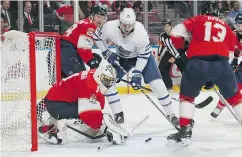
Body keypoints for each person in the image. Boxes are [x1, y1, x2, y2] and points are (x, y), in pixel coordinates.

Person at [166, 1, 242, 146]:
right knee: (235, 98)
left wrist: (183, 49)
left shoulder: (198, 19)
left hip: (197, 63)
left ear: (203, 11)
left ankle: (185, 131)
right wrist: (215, 74)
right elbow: (232, 53)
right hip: (222, 64)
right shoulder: (225, 25)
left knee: (186, 97)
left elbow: (175, 33)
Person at [93, 8, 180, 128]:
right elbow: (97, 37)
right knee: (106, 81)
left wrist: (137, 73)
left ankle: (171, 115)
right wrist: (106, 52)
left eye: (130, 25)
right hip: (122, 58)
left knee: (158, 85)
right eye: (125, 25)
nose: (127, 28)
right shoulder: (109, 27)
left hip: (143, 58)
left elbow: (143, 56)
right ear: (119, 22)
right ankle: (118, 113)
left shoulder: (140, 33)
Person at [39, 64, 130, 145]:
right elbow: (88, 114)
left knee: (90, 113)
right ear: (100, 76)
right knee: (84, 114)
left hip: (58, 100)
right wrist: (107, 129)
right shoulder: (89, 85)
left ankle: (55, 119)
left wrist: (100, 122)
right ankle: (51, 129)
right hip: (56, 104)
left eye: (111, 81)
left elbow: (97, 101)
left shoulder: (95, 76)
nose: (109, 84)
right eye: (107, 80)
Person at [60, 4, 106, 78]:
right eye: (98, 16)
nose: (100, 20)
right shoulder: (90, 27)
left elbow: (80, 46)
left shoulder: (85, 22)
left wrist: (91, 56)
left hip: (62, 51)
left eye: (103, 18)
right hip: (67, 52)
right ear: (92, 15)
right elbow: (83, 48)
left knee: (66, 83)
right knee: (80, 79)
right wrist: (91, 60)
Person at [210, 12, 242, 118]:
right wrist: (233, 61)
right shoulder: (234, 34)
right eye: (238, 24)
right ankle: (219, 106)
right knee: (233, 87)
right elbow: (232, 50)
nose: (240, 27)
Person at [157, 19, 188, 91]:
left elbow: (184, 47)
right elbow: (161, 45)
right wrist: (158, 54)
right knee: (162, 68)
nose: (166, 28)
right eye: (165, 26)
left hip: (180, 54)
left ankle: (187, 87)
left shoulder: (177, 34)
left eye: (168, 26)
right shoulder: (162, 35)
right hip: (169, 53)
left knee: (185, 70)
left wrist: (175, 57)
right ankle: (168, 86)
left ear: (171, 26)